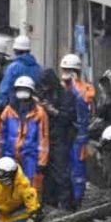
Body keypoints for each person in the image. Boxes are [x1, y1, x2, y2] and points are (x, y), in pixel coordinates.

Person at [0, 76, 49, 194]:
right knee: (10, 185)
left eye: (25, 89)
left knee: (31, 185)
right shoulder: (8, 110)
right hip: (9, 154)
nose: (22, 92)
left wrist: (42, 161)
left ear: (31, 91)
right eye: (20, 89)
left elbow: (43, 138)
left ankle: (33, 209)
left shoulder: (39, 113)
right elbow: (1, 134)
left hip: (30, 156)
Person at [37, 69, 77, 209]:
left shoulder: (66, 95)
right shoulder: (44, 93)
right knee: (47, 174)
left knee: (61, 172)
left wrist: (53, 111)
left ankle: (67, 205)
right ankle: (50, 203)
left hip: (61, 137)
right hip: (46, 138)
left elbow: (69, 117)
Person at [60, 53, 95, 207]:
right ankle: (65, 199)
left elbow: (84, 103)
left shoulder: (86, 88)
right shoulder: (60, 86)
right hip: (64, 133)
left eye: (69, 70)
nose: (65, 73)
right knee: (64, 166)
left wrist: (72, 86)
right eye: (64, 69)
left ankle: (77, 198)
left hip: (79, 135)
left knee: (78, 168)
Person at [0, 35, 41, 109]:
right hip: (33, 107)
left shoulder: (13, 67)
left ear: (15, 50)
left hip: (14, 107)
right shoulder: (38, 67)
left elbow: (4, 90)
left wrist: (1, 106)